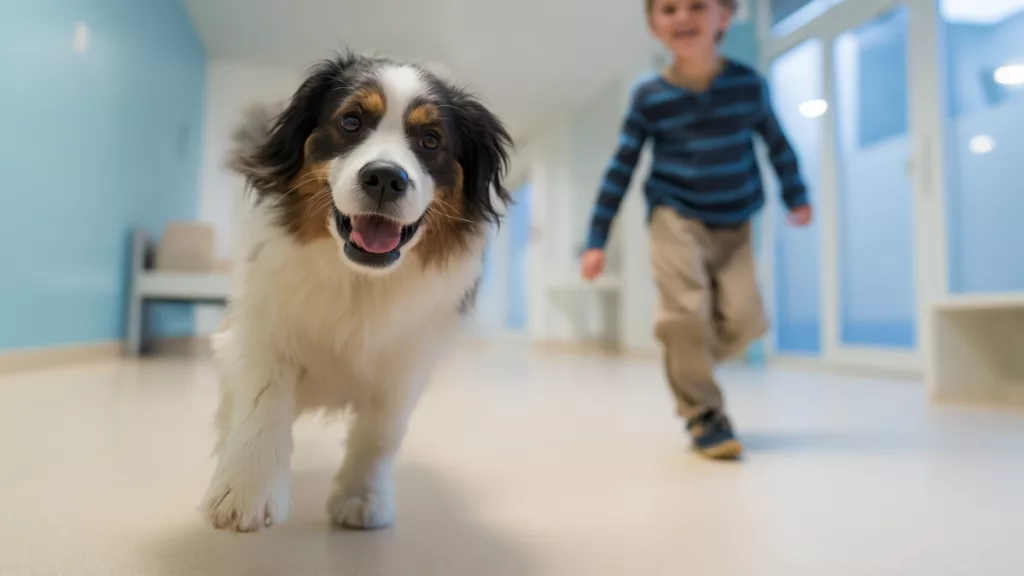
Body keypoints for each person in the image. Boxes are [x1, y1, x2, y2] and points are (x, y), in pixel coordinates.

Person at [580, 0, 813, 460]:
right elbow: (620, 169)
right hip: (675, 213)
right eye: (668, 9)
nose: (683, 18)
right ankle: (704, 414)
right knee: (684, 313)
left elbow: (777, 144)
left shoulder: (747, 86)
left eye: (696, 6)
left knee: (747, 320)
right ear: (653, 26)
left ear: (723, 17)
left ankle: (687, 351)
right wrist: (596, 240)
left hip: (737, 217)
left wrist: (796, 194)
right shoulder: (650, 97)